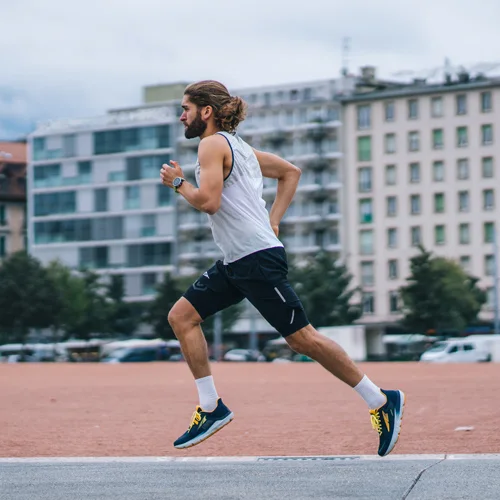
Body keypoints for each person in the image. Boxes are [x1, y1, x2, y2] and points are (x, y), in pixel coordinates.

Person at [160, 80, 405, 456]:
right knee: (182, 317)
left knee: (301, 338)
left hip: (255, 259)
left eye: (186, 109)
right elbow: (291, 171)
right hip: (236, 261)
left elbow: (208, 202)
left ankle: (380, 400)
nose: (182, 116)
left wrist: (179, 183)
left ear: (206, 112)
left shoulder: (211, 144)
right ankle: (211, 407)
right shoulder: (240, 148)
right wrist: (274, 220)